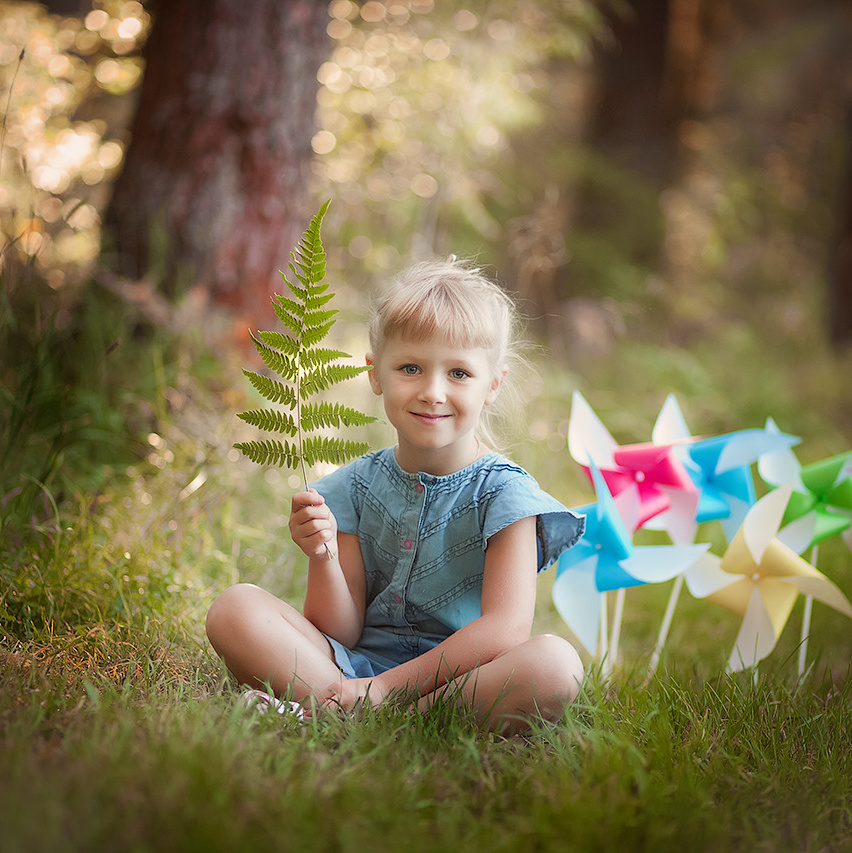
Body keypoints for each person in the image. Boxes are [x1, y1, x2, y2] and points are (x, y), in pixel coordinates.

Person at [206, 258, 586, 733]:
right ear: (375, 374)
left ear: (493, 385)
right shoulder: (351, 488)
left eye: (459, 374)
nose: (432, 392)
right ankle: (349, 716)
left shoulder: (506, 495)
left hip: (458, 685)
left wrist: (386, 691)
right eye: (411, 367)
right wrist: (323, 556)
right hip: (348, 670)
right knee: (235, 608)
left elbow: (506, 631)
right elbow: (338, 631)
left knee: (556, 664)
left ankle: (365, 721)